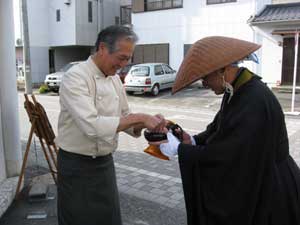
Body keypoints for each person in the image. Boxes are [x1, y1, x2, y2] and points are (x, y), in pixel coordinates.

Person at [149, 36, 300, 225]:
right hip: (258, 176)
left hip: (271, 187)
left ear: (224, 69)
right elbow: (218, 127)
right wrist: (192, 140)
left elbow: (230, 154)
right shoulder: (235, 89)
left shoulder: (254, 99)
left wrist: (179, 150)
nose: (203, 83)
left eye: (205, 76)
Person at [55, 25, 164, 225]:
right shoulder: (75, 77)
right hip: (76, 164)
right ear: (103, 49)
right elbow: (92, 126)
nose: (123, 65)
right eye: (122, 58)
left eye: (128, 59)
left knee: (108, 218)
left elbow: (126, 120)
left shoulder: (114, 80)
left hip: (104, 164)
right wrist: (139, 117)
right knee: (77, 219)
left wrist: (146, 122)